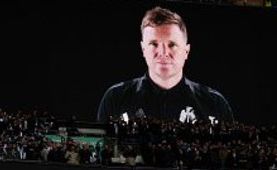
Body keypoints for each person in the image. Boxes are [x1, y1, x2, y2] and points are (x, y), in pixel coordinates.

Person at [97, 6, 234, 124]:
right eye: (154, 44)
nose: (163, 53)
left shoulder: (214, 104)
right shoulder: (115, 98)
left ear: (186, 51)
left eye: (172, 44)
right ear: (143, 49)